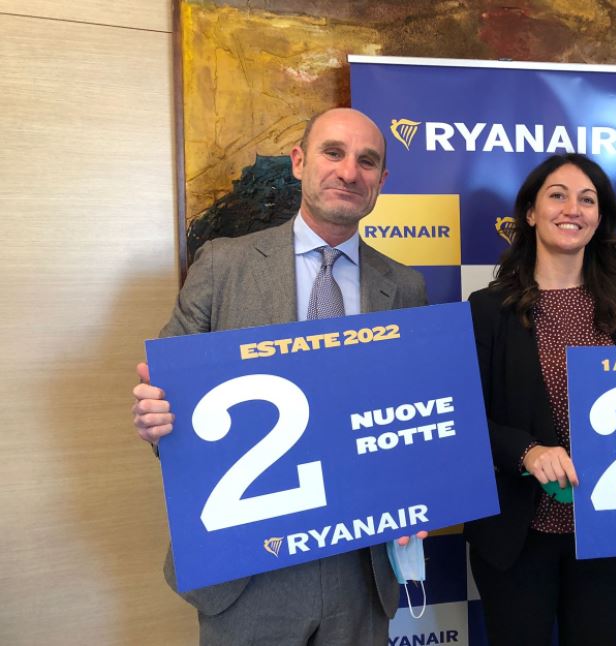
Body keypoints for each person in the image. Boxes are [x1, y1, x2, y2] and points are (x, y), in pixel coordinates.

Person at [131, 107, 427, 645]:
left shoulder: (405, 287)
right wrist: (157, 418)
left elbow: (415, 412)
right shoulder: (222, 264)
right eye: (332, 152)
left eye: (366, 161)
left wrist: (422, 489)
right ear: (298, 162)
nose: (349, 172)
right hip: (250, 562)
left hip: (359, 564)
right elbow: (172, 392)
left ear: (381, 181)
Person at [464, 154, 616, 646]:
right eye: (557, 195)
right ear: (530, 212)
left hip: (605, 529)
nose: (572, 209)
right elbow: (464, 419)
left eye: (587, 199)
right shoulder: (488, 309)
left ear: (600, 218)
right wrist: (526, 451)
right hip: (517, 535)